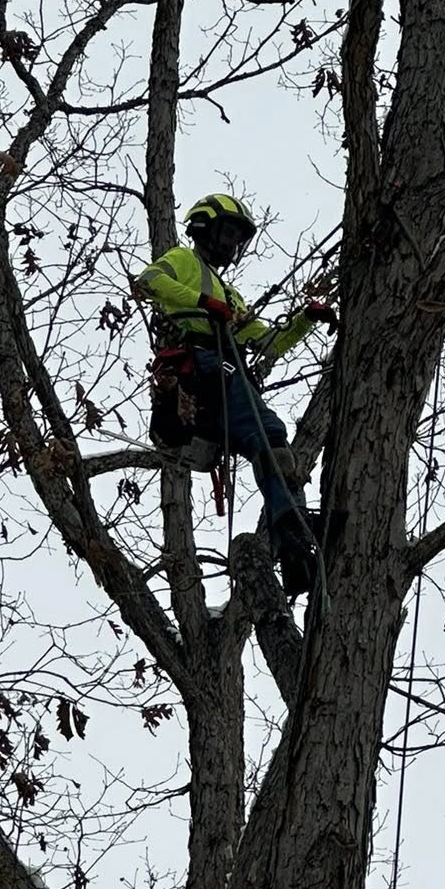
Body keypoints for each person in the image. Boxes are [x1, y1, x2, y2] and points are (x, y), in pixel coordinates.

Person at [135, 192, 328, 596]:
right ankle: (291, 525)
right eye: (226, 233)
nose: (230, 245)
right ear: (204, 227)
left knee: (270, 444)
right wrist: (203, 303)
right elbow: (149, 281)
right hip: (204, 369)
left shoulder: (232, 297)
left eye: (237, 239)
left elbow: (269, 342)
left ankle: (294, 548)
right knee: (269, 431)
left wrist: (307, 319)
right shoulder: (184, 262)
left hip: (222, 372)